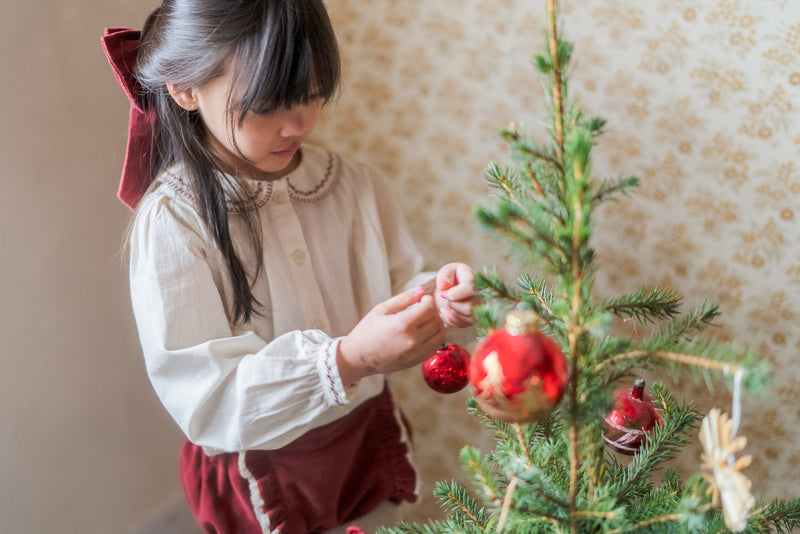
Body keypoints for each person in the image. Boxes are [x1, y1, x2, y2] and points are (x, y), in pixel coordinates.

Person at [101, 1, 476, 533]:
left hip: (366, 439)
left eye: (312, 95)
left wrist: (435, 295)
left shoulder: (352, 186)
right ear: (185, 89)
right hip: (261, 470)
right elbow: (208, 399)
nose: (299, 123)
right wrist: (347, 359)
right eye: (268, 104)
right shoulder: (175, 221)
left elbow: (397, 284)